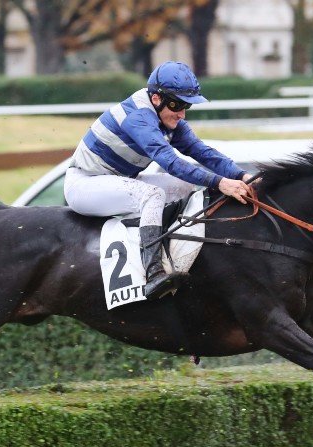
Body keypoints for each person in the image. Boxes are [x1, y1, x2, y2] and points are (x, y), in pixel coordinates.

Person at [64, 61, 254, 300]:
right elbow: (170, 162)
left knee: (184, 188)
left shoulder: (166, 116)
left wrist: (241, 175)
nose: (182, 113)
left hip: (116, 179)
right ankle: (153, 272)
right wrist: (220, 183)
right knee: (152, 195)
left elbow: (202, 152)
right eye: (177, 105)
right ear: (156, 98)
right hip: (84, 185)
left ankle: (177, 251)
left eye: (186, 106)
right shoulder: (138, 118)